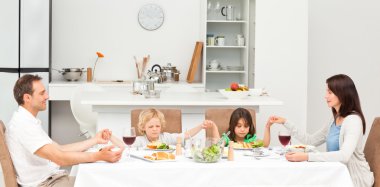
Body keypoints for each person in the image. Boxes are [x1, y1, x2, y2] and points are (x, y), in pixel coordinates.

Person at [5, 74, 125, 187]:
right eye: (42, 93)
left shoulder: (27, 121)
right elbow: (60, 158)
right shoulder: (23, 125)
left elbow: (60, 149)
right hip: (46, 184)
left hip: (51, 180)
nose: (47, 96)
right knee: (105, 182)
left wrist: (95, 140)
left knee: (103, 179)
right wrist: (99, 156)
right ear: (27, 98)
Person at [269, 74, 374, 187]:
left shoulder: (353, 121)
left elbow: (344, 155)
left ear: (342, 94)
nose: (325, 96)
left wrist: (306, 157)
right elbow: (310, 140)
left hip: (353, 179)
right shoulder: (334, 119)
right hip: (335, 174)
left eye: (330, 92)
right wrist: (285, 122)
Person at [133, 108, 219, 147]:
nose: (155, 129)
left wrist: (201, 126)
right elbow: (125, 147)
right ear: (143, 127)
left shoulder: (166, 137)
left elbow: (185, 135)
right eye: (151, 127)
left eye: (157, 126)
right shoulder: (139, 141)